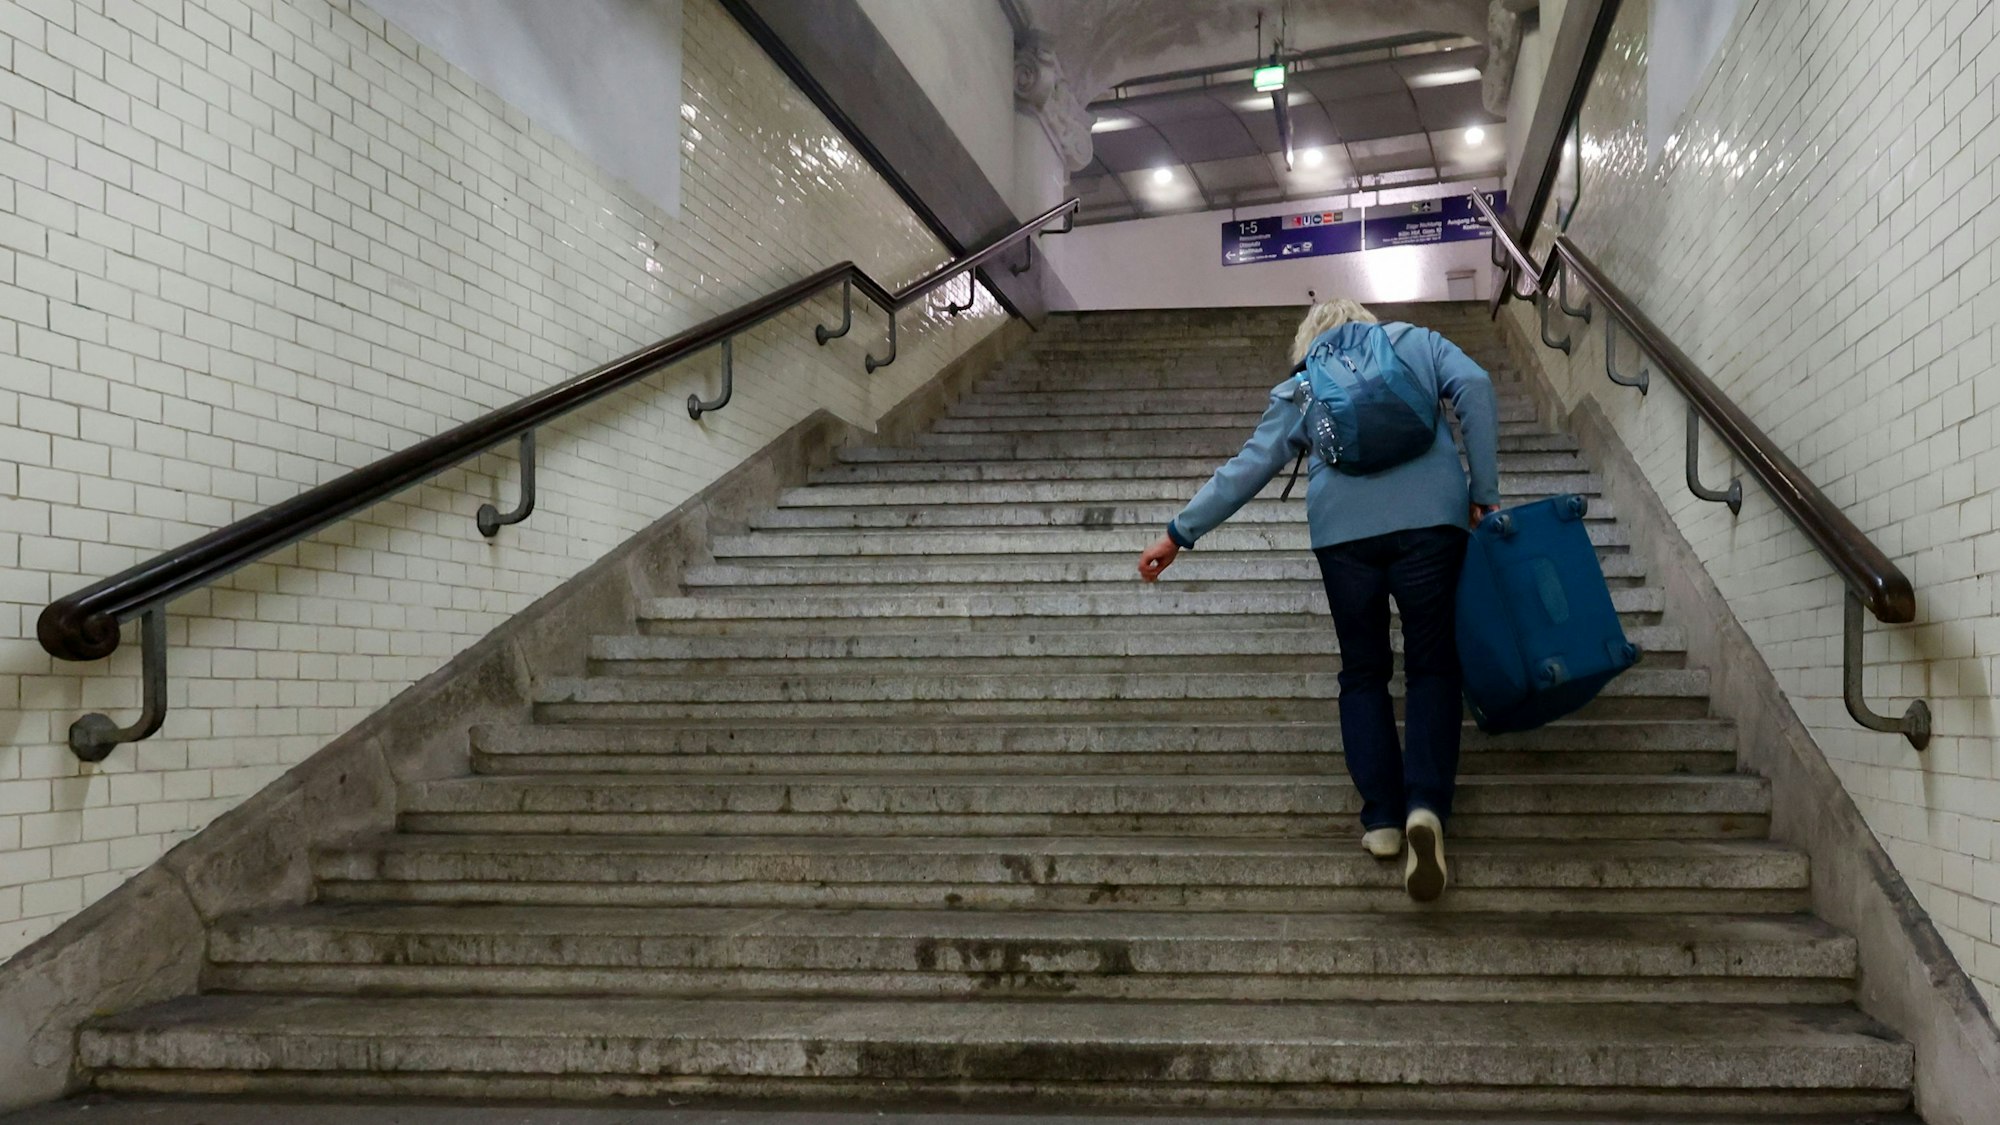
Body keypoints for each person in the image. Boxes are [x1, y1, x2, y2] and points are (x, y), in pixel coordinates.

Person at [1136, 299, 1500, 902]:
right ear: (1366, 322)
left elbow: (1250, 465)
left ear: (1312, 340)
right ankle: (1426, 807)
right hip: (1433, 524)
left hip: (1344, 537)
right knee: (1433, 666)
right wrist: (1482, 490)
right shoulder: (1416, 342)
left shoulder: (1306, 381)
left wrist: (1178, 534)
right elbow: (1477, 386)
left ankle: (1383, 818)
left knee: (1363, 672)